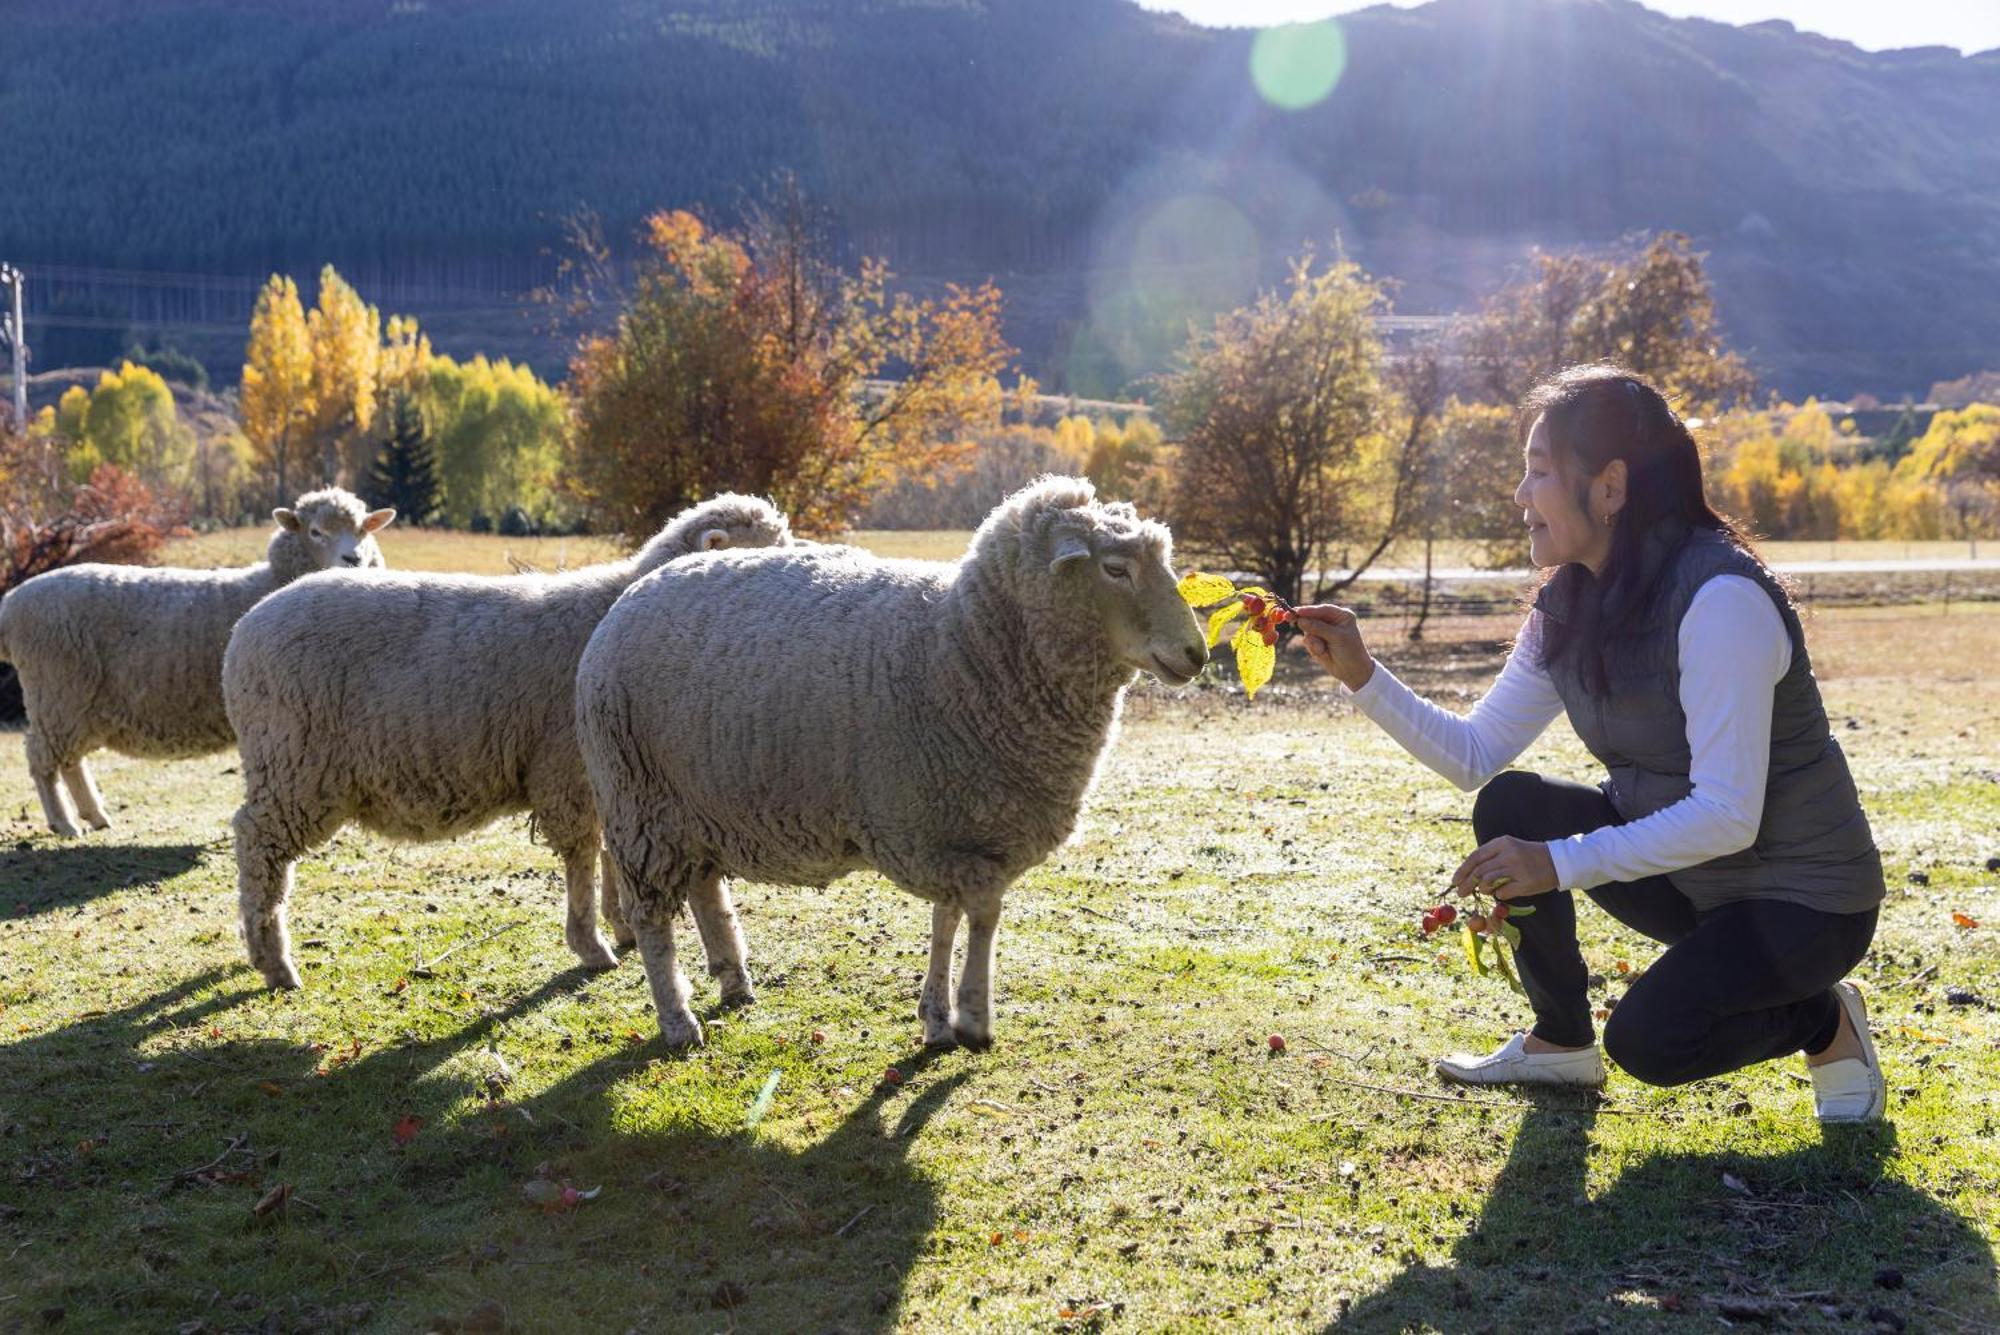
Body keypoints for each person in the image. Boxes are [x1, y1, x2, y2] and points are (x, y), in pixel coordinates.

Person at [1293, 365, 1887, 1123]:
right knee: (1512, 802)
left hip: (1804, 906)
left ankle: (1822, 1018)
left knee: (1650, 1041)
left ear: (1609, 488)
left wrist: (1558, 863)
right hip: (1697, 888)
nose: (1520, 495)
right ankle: (1561, 1043)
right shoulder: (1568, 603)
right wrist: (1364, 677)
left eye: (1539, 471)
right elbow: (1475, 753)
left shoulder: (1721, 600)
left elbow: (1729, 814)